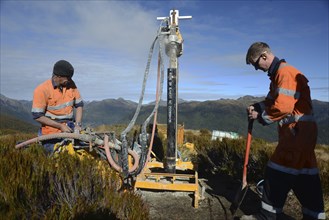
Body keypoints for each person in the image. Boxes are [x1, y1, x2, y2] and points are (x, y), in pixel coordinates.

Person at [241, 42, 325, 220]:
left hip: (296, 135)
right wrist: (258, 106)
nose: (257, 68)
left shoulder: (285, 73)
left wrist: (261, 116)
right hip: (303, 135)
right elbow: (273, 100)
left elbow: (283, 107)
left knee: (276, 172)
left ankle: (266, 216)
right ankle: (314, 215)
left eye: (256, 63)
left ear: (264, 56)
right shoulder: (278, 75)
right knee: (305, 173)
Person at [32, 60, 84, 153]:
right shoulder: (42, 90)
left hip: (70, 128)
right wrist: (60, 126)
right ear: (58, 76)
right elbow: (37, 116)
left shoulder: (71, 84)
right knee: (63, 154)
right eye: (67, 78)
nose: (69, 80)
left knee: (85, 150)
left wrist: (78, 125)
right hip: (51, 133)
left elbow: (79, 105)